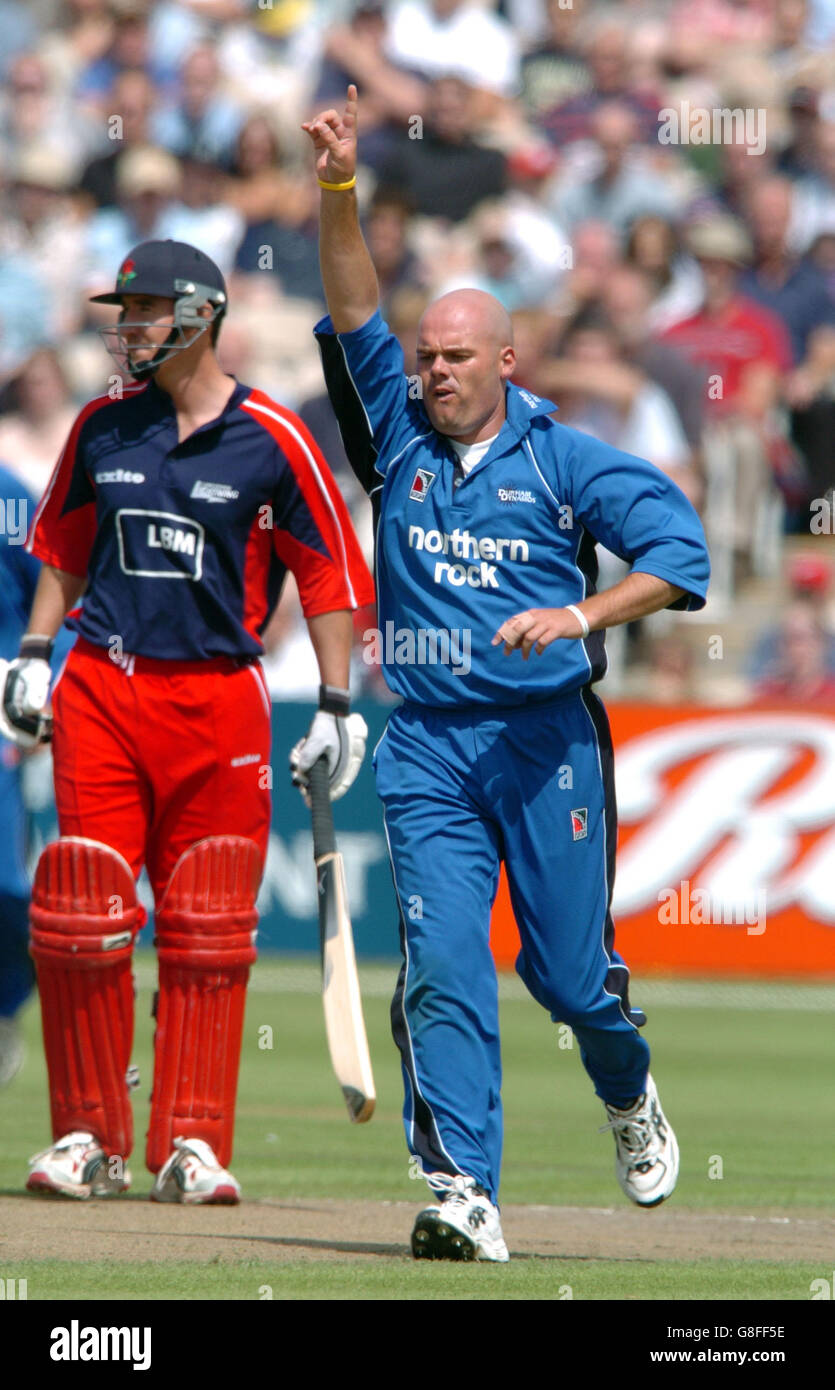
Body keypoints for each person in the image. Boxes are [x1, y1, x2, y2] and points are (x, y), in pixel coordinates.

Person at [303, 89, 710, 1262]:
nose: (431, 372)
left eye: (454, 356)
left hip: (546, 743)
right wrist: (338, 187)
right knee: (438, 964)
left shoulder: (567, 453)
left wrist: (580, 611)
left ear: (506, 358)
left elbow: (679, 558)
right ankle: (462, 1191)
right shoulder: (392, 429)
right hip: (428, 741)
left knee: (571, 980)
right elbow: (348, 300)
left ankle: (626, 1091)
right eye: (424, 356)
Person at [0, 238, 373, 1203]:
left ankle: (192, 1143)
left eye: (146, 312)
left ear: (200, 316)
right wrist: (37, 657)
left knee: (207, 927)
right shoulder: (101, 429)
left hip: (220, 701)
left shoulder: (274, 438)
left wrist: (336, 703)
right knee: (82, 910)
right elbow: (62, 550)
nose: (127, 330)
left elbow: (328, 575)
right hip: (105, 688)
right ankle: (87, 1135)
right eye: (122, 313)